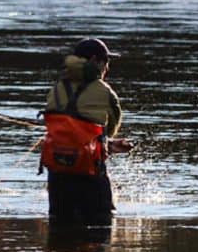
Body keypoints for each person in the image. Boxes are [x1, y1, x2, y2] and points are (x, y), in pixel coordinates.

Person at [40, 38, 132, 224]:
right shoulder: (105, 91)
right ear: (95, 61)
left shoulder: (56, 89)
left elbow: (61, 130)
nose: (107, 67)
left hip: (58, 175)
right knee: (101, 233)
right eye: (106, 62)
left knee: (59, 240)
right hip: (90, 175)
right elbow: (110, 131)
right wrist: (111, 144)